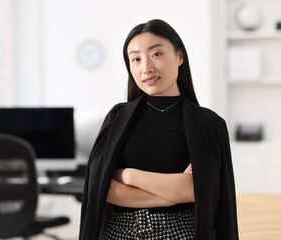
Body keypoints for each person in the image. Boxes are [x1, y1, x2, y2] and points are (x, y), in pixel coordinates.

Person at [79, 19, 239, 240]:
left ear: (179, 57)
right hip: (119, 233)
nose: (146, 68)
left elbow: (195, 190)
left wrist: (127, 175)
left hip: (182, 233)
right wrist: (168, 196)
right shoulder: (117, 118)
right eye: (136, 59)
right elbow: (101, 190)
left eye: (156, 54)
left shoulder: (208, 123)